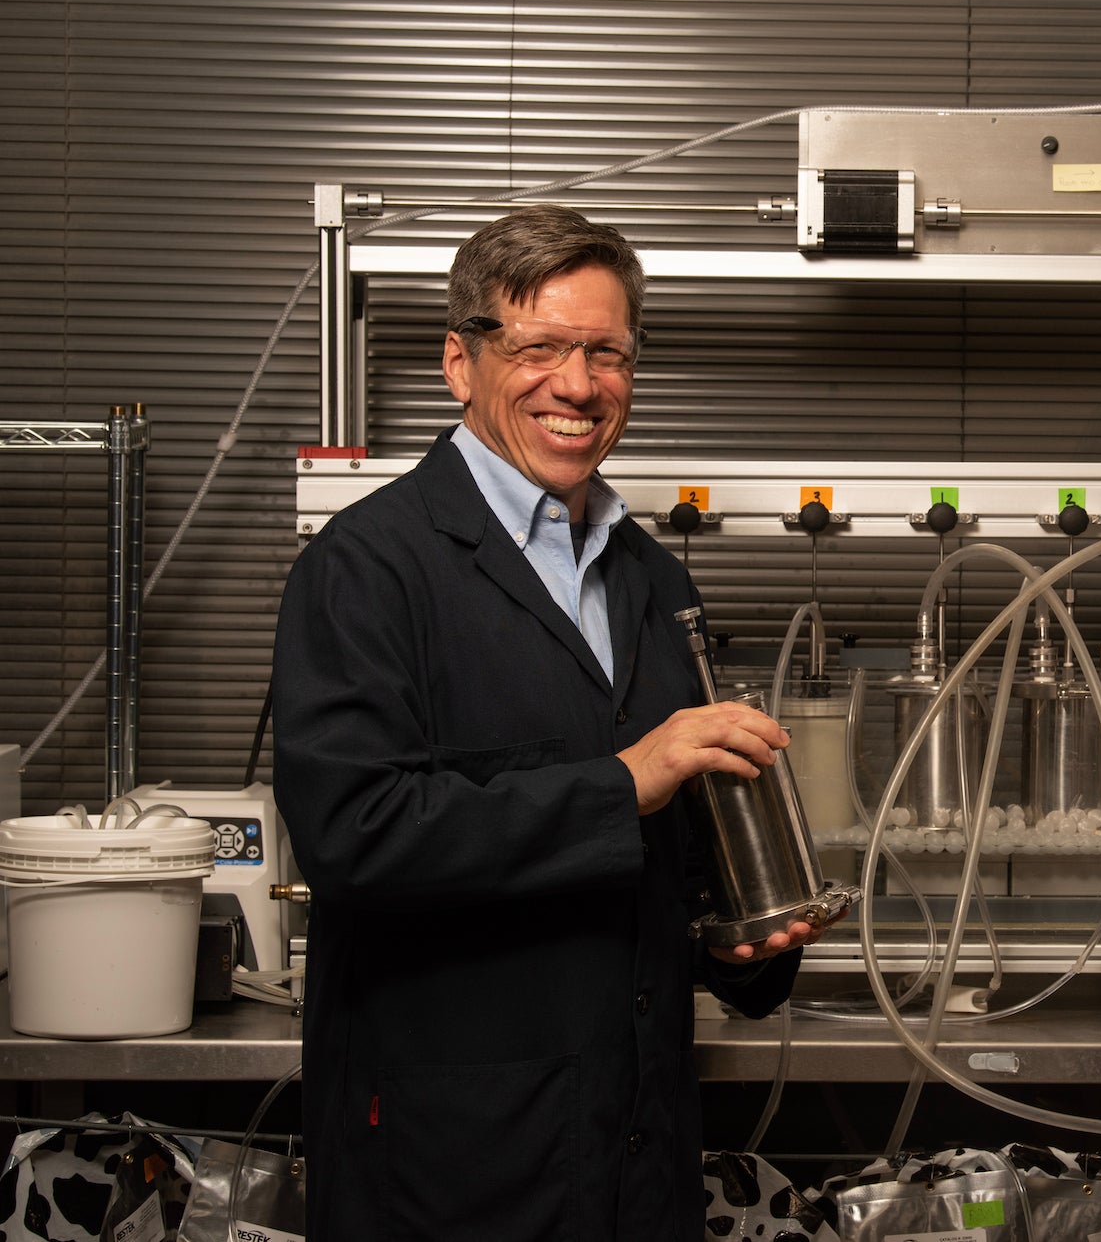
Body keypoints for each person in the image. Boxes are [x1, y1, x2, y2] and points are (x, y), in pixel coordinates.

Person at [274, 204, 832, 1241]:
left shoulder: (654, 581)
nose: (576, 385)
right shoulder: (367, 568)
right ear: (459, 361)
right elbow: (356, 837)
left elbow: (671, 864)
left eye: (606, 353)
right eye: (538, 348)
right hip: (450, 1170)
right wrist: (625, 781)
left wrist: (743, 946)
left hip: (634, 1160)